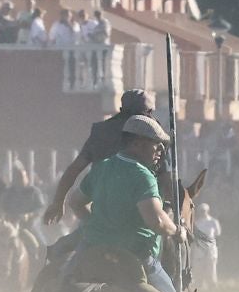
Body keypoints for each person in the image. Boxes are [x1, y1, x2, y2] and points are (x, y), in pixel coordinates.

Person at [73, 114, 185, 292]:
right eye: (156, 145)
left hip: (93, 249)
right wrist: (177, 231)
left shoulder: (101, 167)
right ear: (137, 143)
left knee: (62, 283)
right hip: (135, 256)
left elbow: (74, 202)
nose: (160, 151)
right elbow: (157, 221)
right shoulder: (143, 176)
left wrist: (95, 223)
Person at [43, 90, 163, 228]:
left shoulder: (102, 132)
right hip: (141, 216)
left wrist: (58, 202)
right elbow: (165, 179)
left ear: (121, 109)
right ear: (149, 112)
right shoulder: (150, 136)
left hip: (101, 209)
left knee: (64, 246)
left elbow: (74, 169)